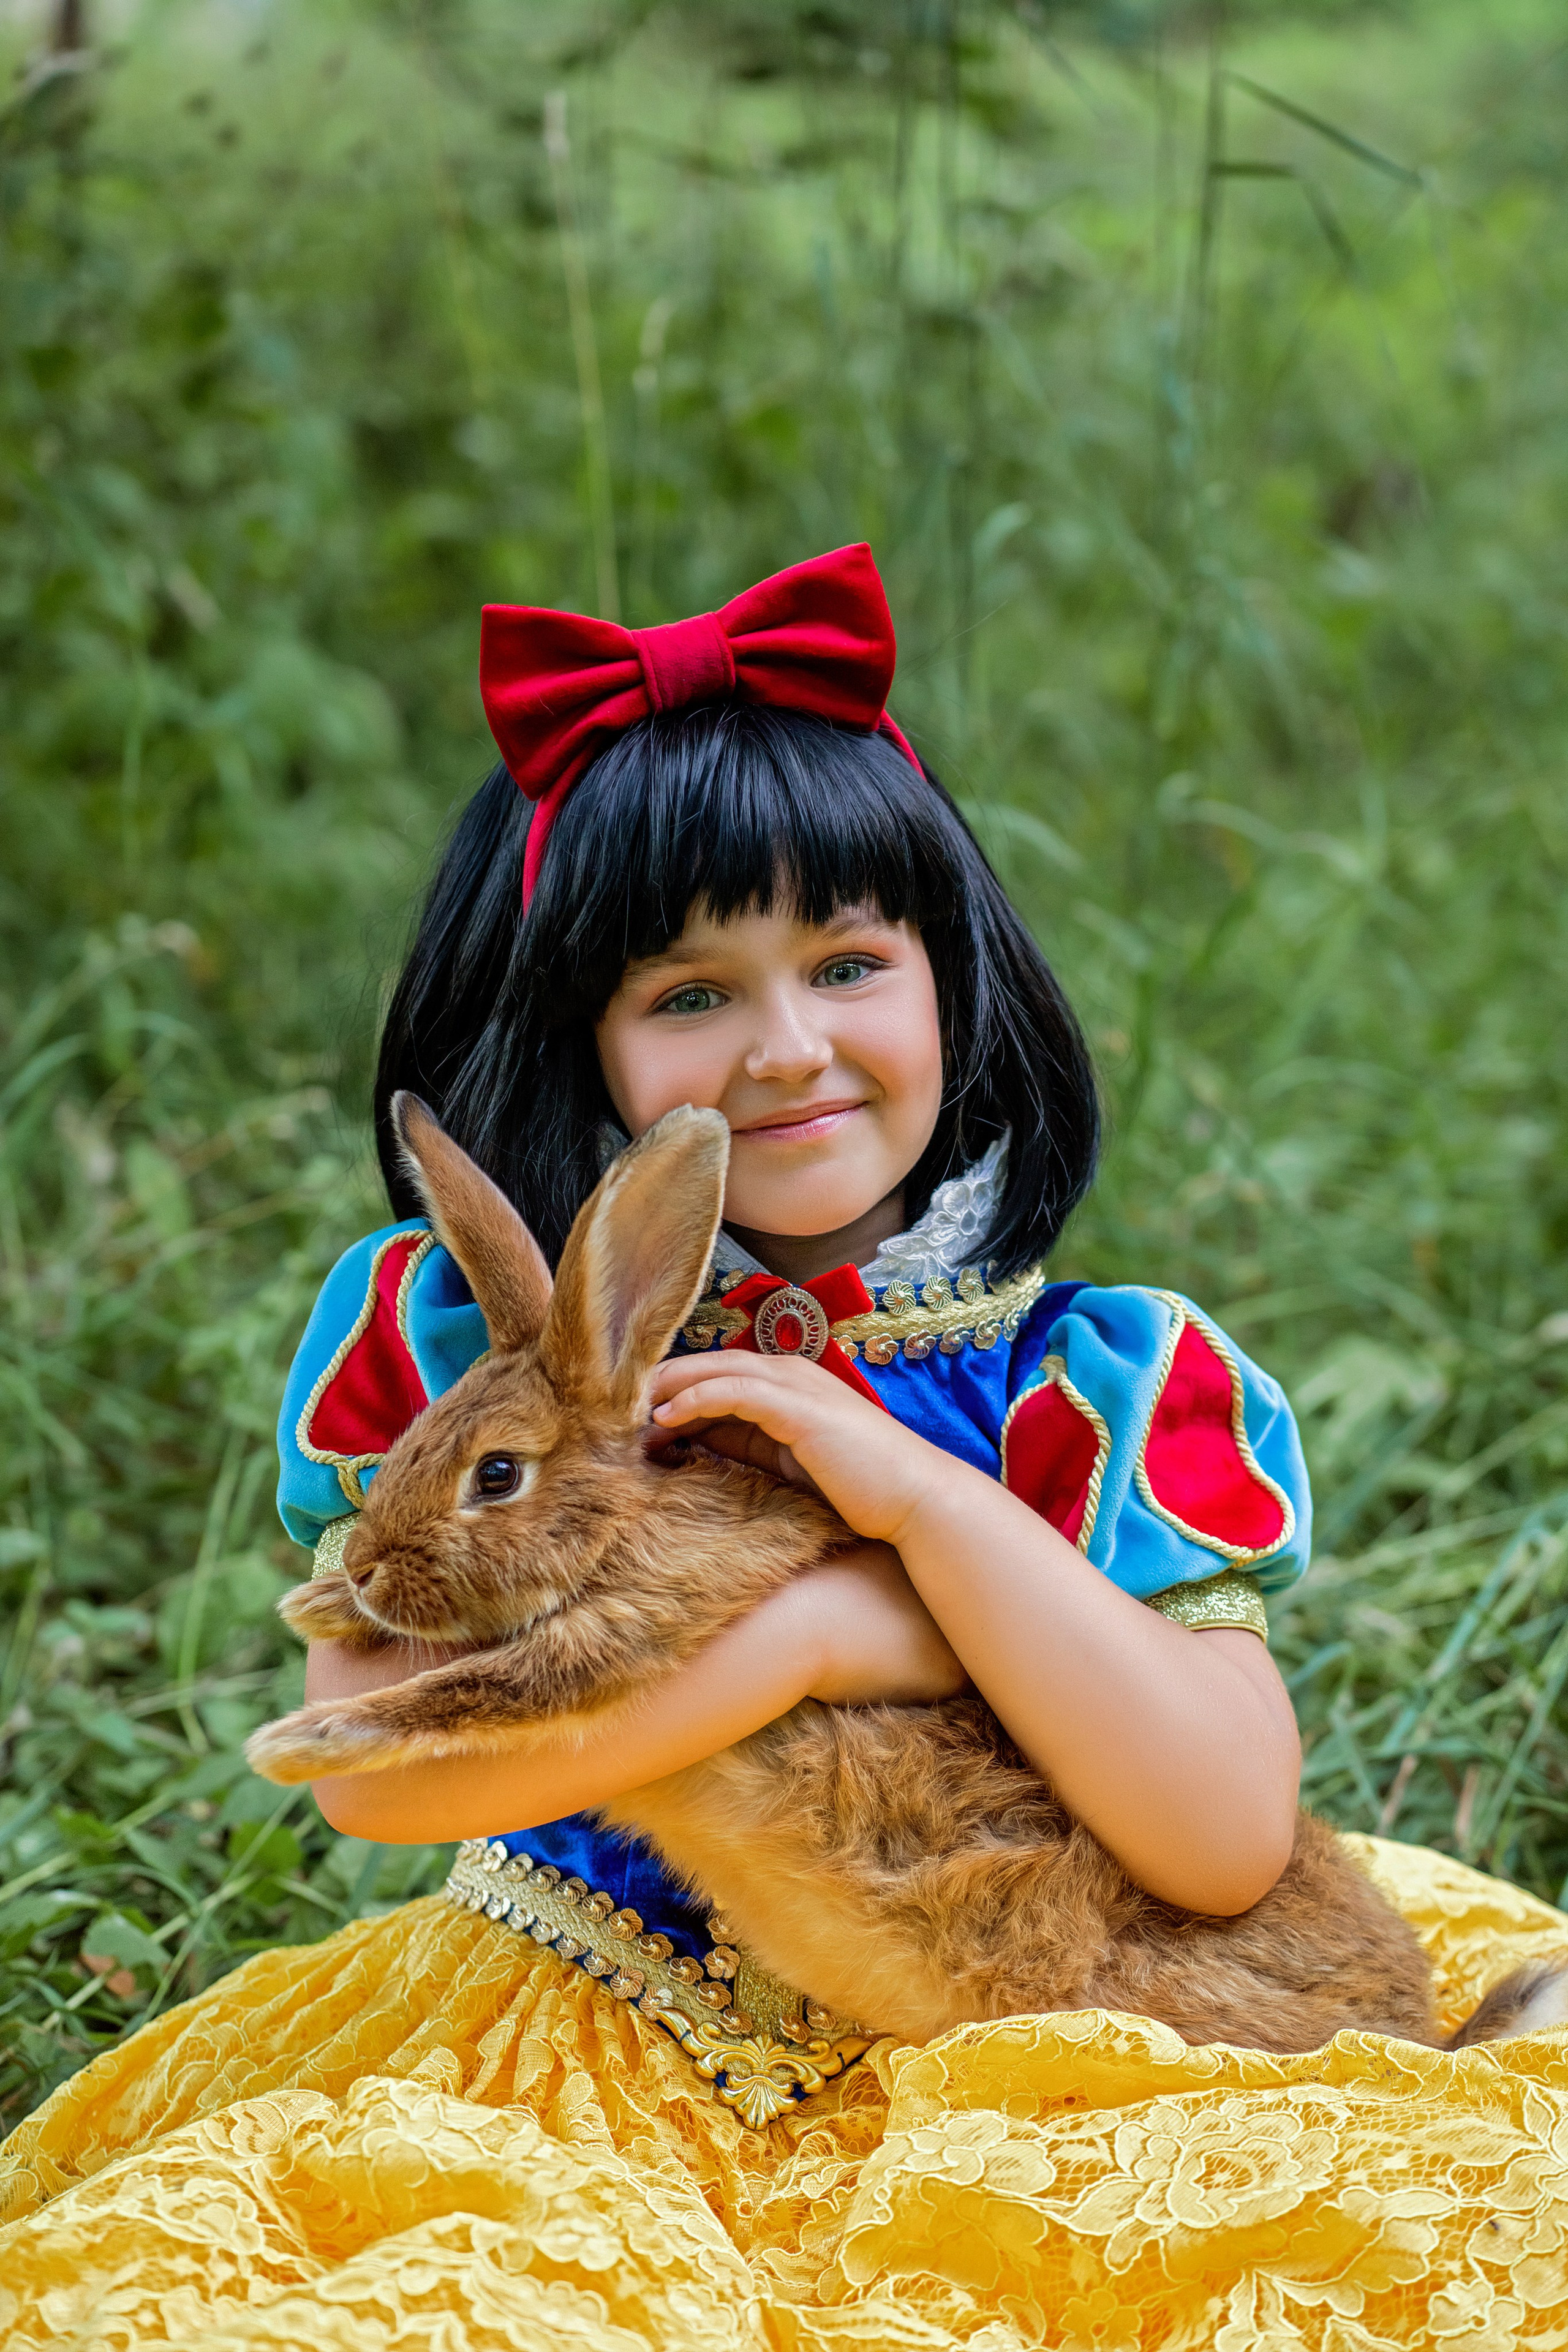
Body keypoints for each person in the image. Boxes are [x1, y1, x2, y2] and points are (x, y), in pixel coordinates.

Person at [2, 546, 1565, 2350]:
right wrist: (817, 1639)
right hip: (593, 2023)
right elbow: (370, 1765)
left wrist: (912, 1516)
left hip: (1050, 2038)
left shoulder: (1083, 1386)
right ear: (578, 1041)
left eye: (846, 962)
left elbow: (1217, 1836)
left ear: (955, 984)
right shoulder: (472, 1355)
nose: (787, 1048)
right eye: (690, 997)